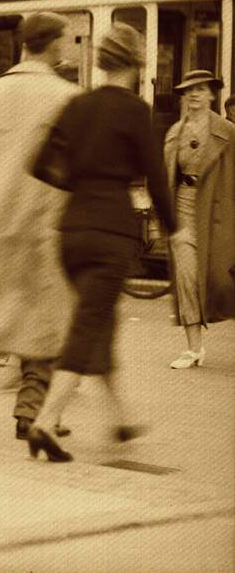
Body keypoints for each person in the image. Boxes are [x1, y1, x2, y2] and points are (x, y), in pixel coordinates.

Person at [25, 24, 178, 461]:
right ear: (135, 64)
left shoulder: (77, 104)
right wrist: (176, 232)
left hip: (70, 234)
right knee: (88, 325)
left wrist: (76, 181)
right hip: (111, 233)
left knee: (100, 325)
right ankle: (45, 421)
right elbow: (157, 181)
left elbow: (38, 165)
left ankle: (119, 418)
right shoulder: (135, 111)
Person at [0, 13, 79, 440]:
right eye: (65, 41)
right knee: (48, 320)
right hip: (45, 218)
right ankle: (28, 413)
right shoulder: (67, 97)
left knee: (5, 309)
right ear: (54, 45)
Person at [163, 70, 235, 369]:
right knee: (187, 279)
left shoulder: (228, 132)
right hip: (183, 208)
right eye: (188, 90)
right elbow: (167, 179)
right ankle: (194, 349)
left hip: (218, 211)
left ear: (211, 95)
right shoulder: (174, 132)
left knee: (222, 280)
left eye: (200, 89)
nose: (193, 94)